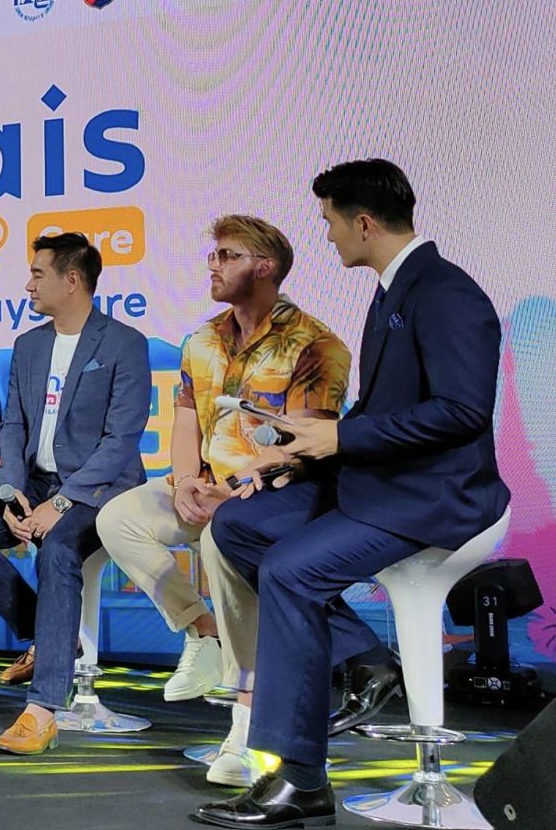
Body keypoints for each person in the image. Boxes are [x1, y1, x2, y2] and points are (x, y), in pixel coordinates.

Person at [197, 160, 510, 828]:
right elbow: (384, 408)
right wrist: (302, 450)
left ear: (363, 222)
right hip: (381, 481)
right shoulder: (393, 291)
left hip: (437, 495)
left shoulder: (445, 293)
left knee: (291, 570)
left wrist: (340, 437)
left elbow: (462, 412)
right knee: (238, 527)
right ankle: (365, 658)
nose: (328, 235)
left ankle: (297, 780)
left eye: (330, 222)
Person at [94, 215, 350, 784]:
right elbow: (186, 420)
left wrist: (230, 493)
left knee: (223, 538)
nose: (213, 265)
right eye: (213, 255)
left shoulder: (317, 344)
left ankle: (245, 726)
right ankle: (201, 630)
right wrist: (186, 481)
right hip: (206, 486)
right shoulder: (202, 340)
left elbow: (302, 442)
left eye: (227, 255)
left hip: (277, 494)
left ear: (265, 267)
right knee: (118, 519)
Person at [0, 233, 150, 754]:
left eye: (37, 274)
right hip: (33, 481)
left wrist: (62, 503)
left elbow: (121, 440)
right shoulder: (29, 346)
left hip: (100, 489)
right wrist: (12, 491)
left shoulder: (124, 343)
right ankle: (53, 635)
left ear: (71, 280)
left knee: (57, 550)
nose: (28, 285)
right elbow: (12, 426)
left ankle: (42, 709)